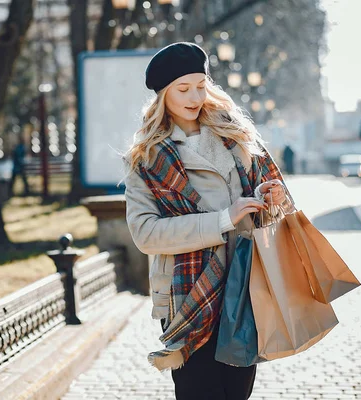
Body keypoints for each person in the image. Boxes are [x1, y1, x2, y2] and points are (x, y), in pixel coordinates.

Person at [122, 42, 292, 400]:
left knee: (236, 395)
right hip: (188, 297)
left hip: (244, 288)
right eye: (183, 89)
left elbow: (276, 209)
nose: (195, 96)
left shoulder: (237, 136)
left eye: (201, 85)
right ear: (163, 94)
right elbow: (146, 234)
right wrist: (222, 220)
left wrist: (274, 199)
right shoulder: (148, 157)